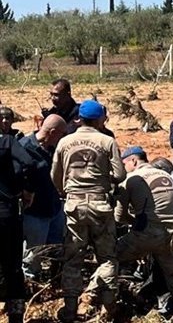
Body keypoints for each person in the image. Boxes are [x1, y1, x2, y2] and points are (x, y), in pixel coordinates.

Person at [51, 99, 126, 322]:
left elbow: (55, 174)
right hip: (100, 205)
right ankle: (108, 309)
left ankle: (71, 309)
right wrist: (104, 178)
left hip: (73, 205)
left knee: (73, 258)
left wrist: (64, 191)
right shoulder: (106, 141)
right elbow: (120, 174)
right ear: (99, 119)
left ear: (80, 118)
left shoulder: (65, 141)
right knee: (107, 257)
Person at [104, 146, 173, 316]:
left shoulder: (131, 179)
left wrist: (136, 222)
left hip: (147, 235)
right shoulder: (166, 176)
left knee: (109, 257)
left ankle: (106, 304)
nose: (123, 168)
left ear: (133, 161)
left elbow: (119, 217)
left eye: (124, 163)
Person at [18, 115, 68, 280]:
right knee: (34, 252)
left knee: (57, 247)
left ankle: (54, 279)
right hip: (35, 212)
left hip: (54, 208)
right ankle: (31, 284)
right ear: (52, 132)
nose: (62, 138)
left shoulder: (52, 148)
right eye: (60, 134)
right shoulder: (24, 147)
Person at [0, 134, 42, 323]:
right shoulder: (6, 141)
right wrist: (28, 190)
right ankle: (15, 316)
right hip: (6, 213)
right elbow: (31, 164)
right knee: (13, 266)